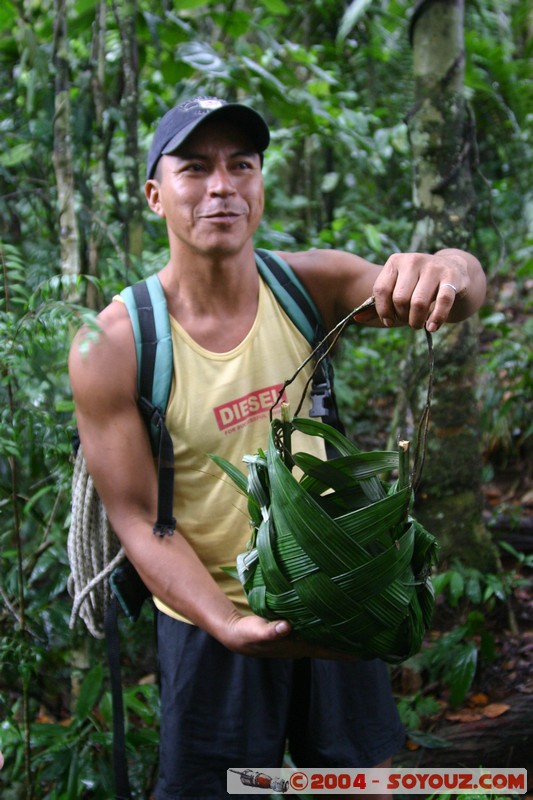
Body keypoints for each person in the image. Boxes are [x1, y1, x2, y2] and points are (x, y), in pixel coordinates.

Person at [69, 96, 487, 799]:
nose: (222, 186)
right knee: (220, 789)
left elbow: (462, 289)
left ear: (260, 183)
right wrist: (228, 621)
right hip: (208, 618)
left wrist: (447, 267)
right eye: (194, 168)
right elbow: (139, 518)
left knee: (353, 782)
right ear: (154, 195)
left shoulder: (308, 286)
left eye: (242, 165)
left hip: (336, 594)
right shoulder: (114, 343)